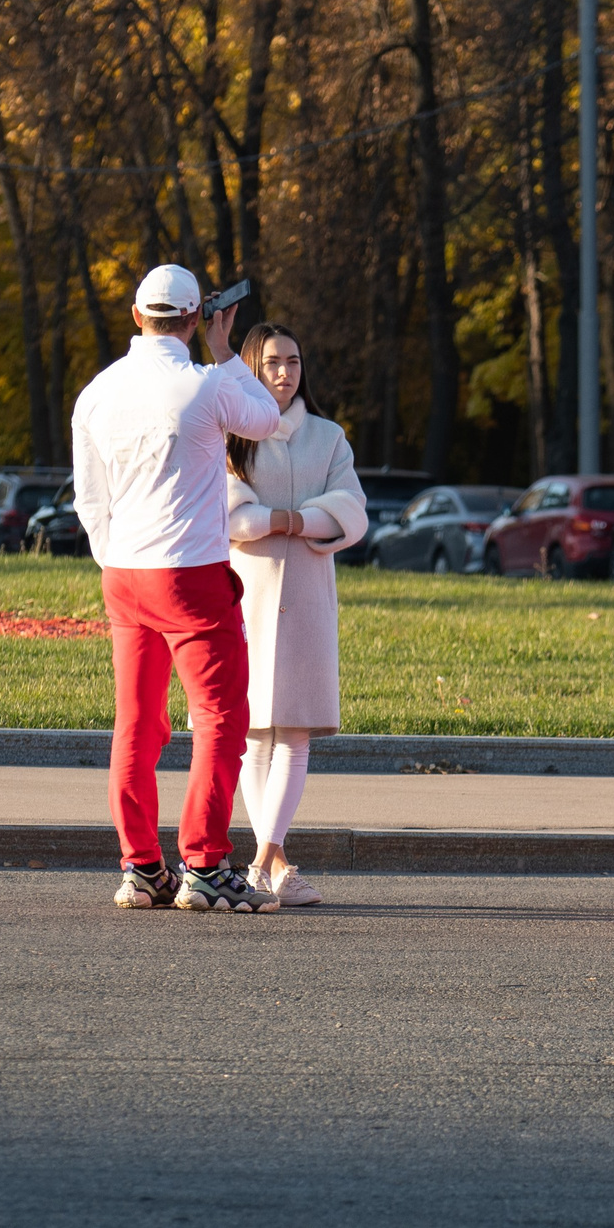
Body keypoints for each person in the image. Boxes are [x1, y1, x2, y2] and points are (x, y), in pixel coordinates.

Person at [72, 264, 283, 912]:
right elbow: (267, 419)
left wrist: (117, 557)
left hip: (124, 574)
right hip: (189, 574)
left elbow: (89, 499)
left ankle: (141, 867)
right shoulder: (206, 385)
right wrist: (226, 353)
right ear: (195, 319)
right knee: (220, 718)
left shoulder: (96, 392)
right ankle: (206, 862)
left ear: (137, 315)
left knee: (137, 722)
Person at [225, 324, 368, 907]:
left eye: (294, 361)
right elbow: (228, 513)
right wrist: (291, 518)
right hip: (248, 597)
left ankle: (261, 857)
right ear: (253, 370)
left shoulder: (329, 438)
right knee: (254, 733)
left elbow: (351, 510)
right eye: (273, 363)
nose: (285, 373)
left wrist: (289, 520)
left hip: (308, 597)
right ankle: (276, 863)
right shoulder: (233, 434)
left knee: (297, 732)